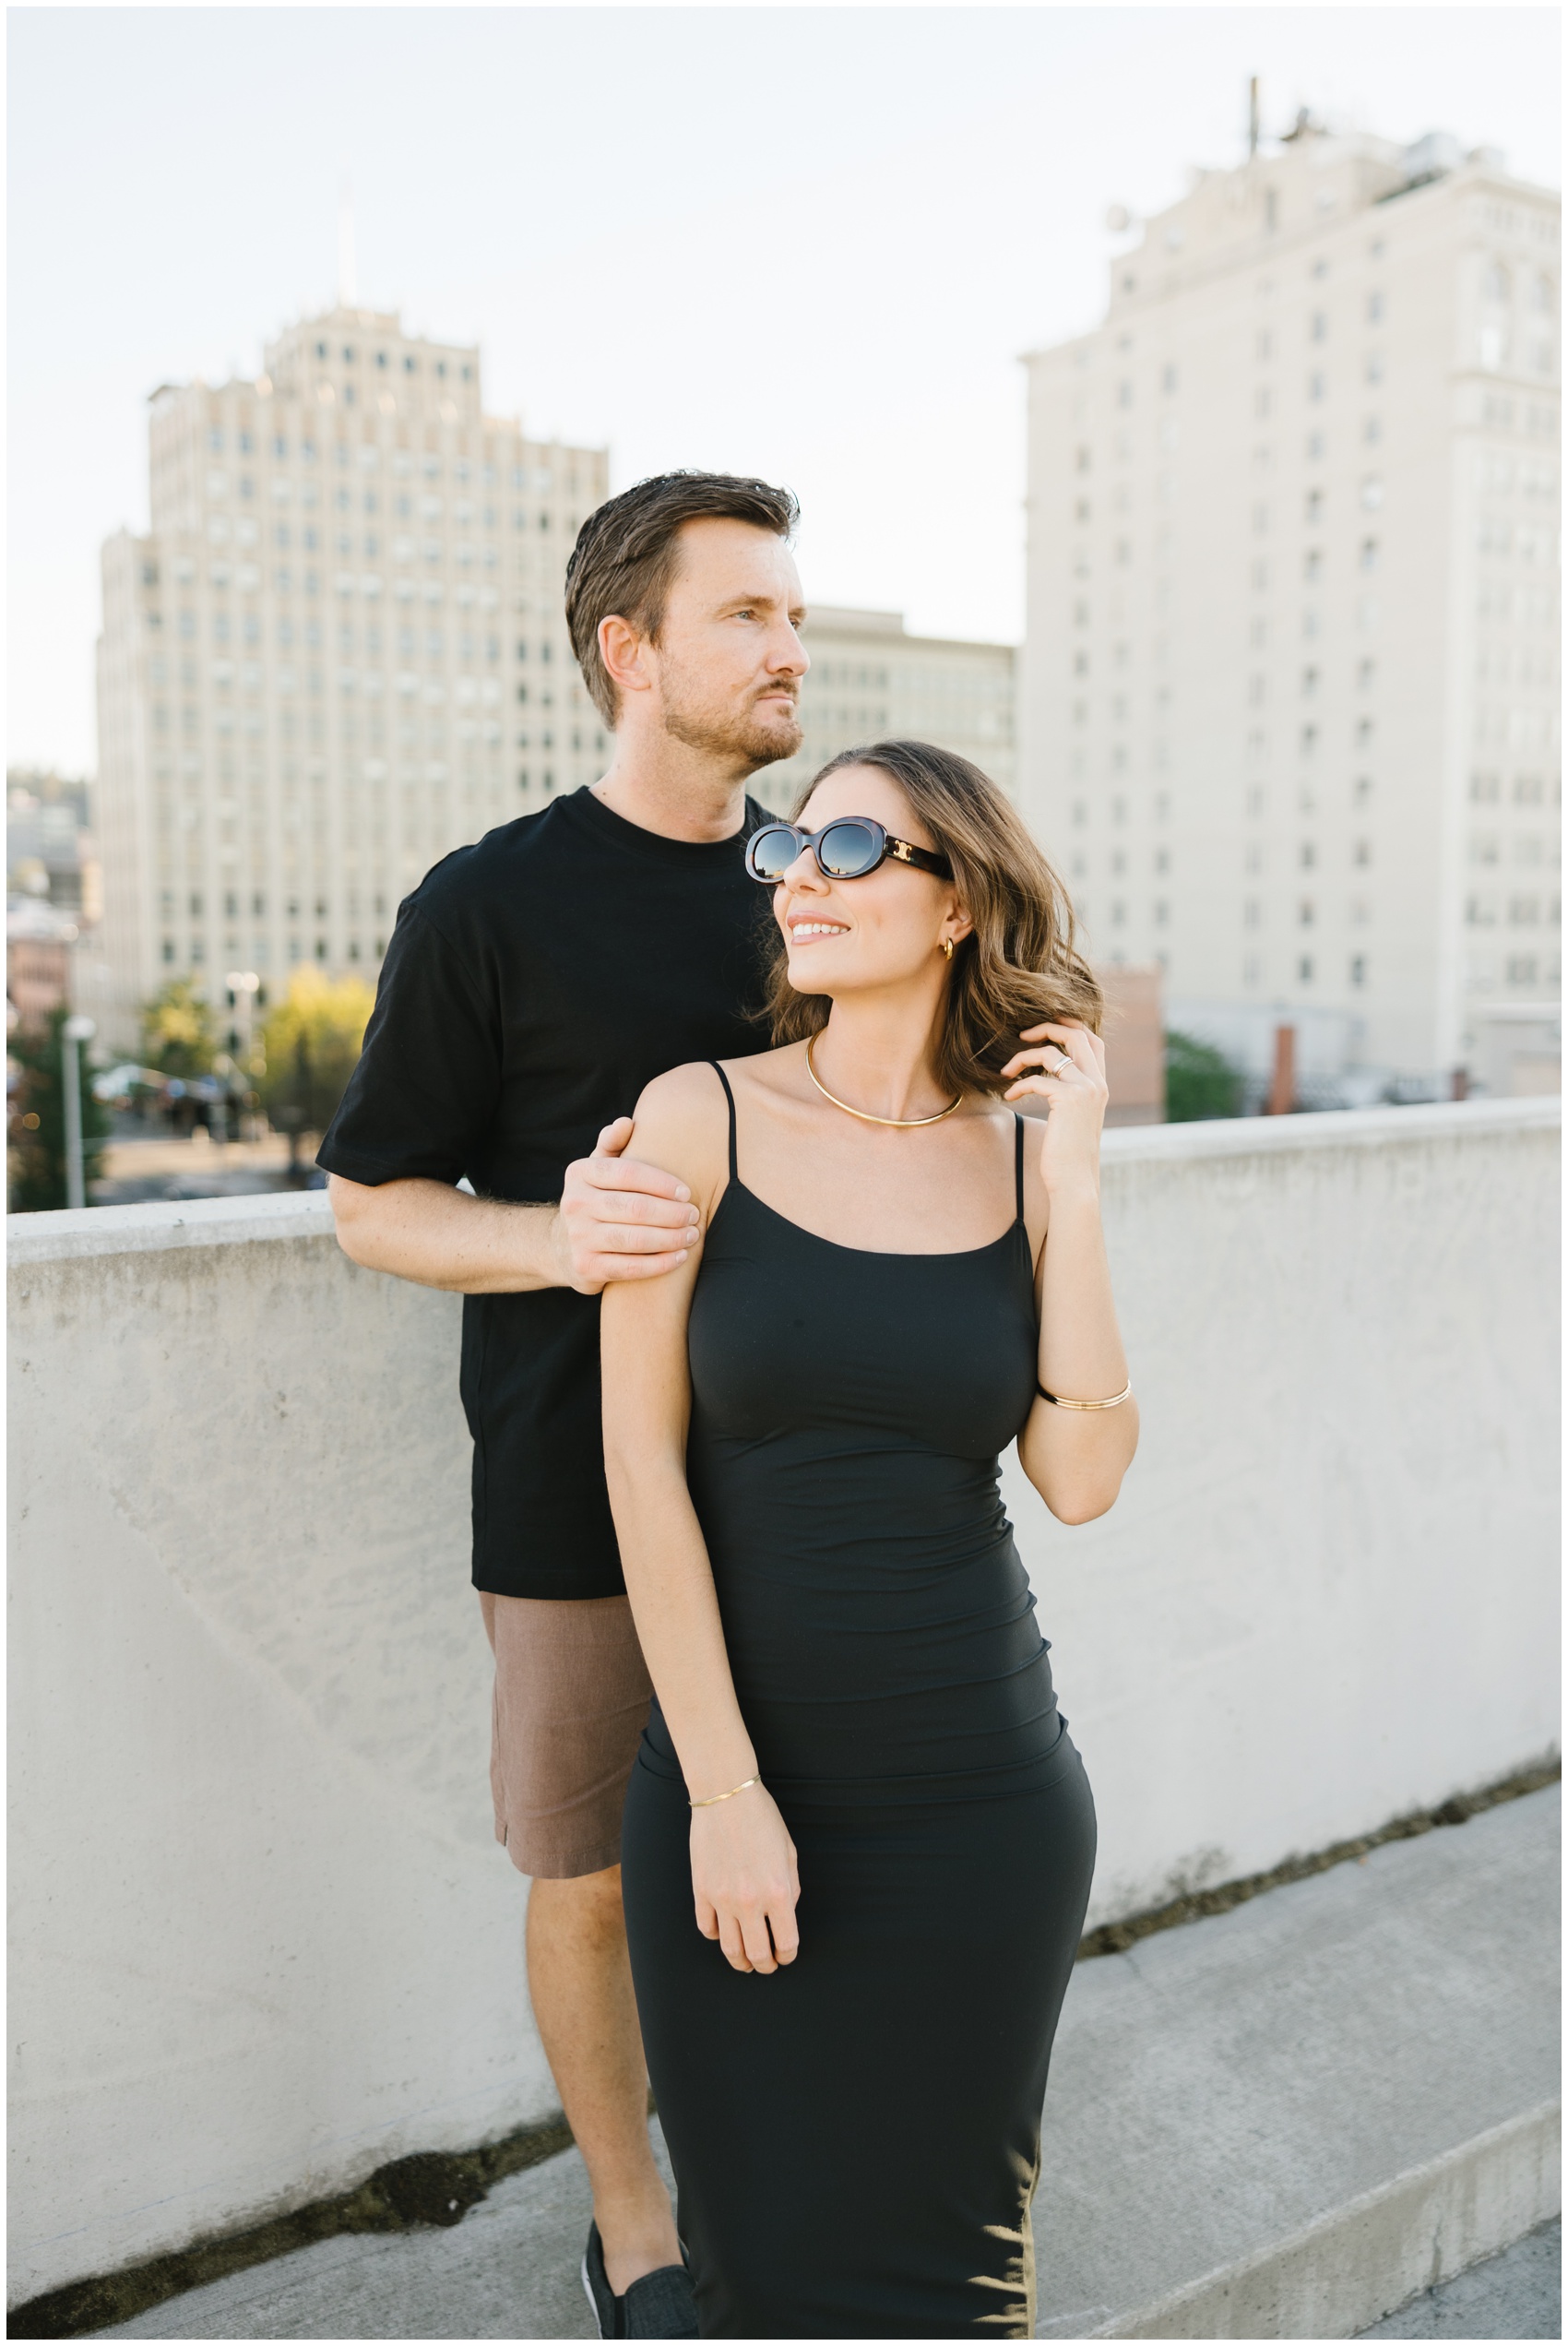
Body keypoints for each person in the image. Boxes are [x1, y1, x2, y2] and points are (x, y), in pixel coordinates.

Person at [319, 470, 810, 2340]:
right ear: (629, 651)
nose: (788, 647)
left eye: (791, 610)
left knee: (806, 1848)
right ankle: (634, 2231)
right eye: (746, 615)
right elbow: (374, 1204)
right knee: (595, 1876)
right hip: (571, 1494)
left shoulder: (824, 881)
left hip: (811, 1480)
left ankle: (791, 2171)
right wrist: (555, 1235)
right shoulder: (486, 905)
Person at [600, 739, 1139, 2339]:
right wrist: (725, 1791)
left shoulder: (1025, 1149)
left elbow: (1083, 1474)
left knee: (956, 2283)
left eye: (852, 847)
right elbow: (641, 1466)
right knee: (762, 2267)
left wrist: (1082, 1193)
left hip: (984, 1803)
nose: (803, 880)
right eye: (792, 850)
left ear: (958, 896)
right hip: (743, 1786)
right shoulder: (698, 1116)